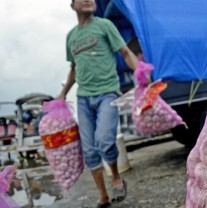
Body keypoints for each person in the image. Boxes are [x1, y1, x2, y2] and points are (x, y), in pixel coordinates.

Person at [58, 0, 138, 207]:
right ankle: (102, 195)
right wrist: (62, 93)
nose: (89, 0)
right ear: (72, 5)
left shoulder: (104, 25)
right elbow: (74, 68)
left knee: (104, 140)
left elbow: (126, 53)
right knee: (90, 149)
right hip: (83, 97)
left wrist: (142, 75)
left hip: (107, 93)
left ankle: (116, 177)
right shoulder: (71, 36)